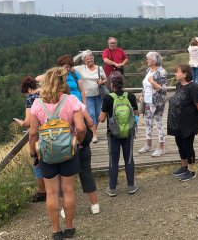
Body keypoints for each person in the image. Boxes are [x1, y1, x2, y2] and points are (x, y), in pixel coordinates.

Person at [29, 67, 86, 240]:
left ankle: (56, 231)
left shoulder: (37, 104)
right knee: (68, 190)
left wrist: (34, 154)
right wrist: (78, 141)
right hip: (68, 151)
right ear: (63, 82)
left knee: (52, 193)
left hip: (46, 153)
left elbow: (33, 134)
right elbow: (81, 128)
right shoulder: (71, 100)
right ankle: (69, 228)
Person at [57, 55, 99, 215]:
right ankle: (94, 204)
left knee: (65, 175)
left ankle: (65, 208)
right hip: (79, 144)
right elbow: (88, 123)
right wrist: (80, 140)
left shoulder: (48, 104)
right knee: (86, 171)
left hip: (61, 144)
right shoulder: (75, 103)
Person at [99, 71, 139, 197]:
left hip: (113, 134)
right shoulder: (130, 96)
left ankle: (112, 188)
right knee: (129, 158)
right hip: (128, 132)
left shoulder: (108, 98)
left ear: (111, 84)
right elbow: (136, 114)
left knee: (113, 160)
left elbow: (101, 119)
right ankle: (131, 186)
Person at [167, 64, 198, 181]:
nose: (175, 74)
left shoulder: (193, 87)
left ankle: (191, 170)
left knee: (188, 145)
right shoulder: (179, 85)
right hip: (177, 122)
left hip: (188, 122)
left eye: (177, 72)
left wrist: (190, 113)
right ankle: (184, 166)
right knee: (180, 144)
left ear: (184, 74)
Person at [15, 76, 46, 203]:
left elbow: (29, 122)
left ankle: (42, 192)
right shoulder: (46, 93)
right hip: (54, 132)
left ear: (28, 90)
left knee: (37, 163)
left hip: (39, 135)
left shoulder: (31, 98)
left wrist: (21, 123)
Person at [74, 49, 108, 143]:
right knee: (91, 114)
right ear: (84, 60)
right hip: (87, 95)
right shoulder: (80, 68)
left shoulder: (99, 68)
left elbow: (105, 79)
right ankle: (94, 134)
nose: (89, 60)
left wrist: (102, 81)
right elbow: (69, 67)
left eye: (90, 58)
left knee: (98, 114)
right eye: (86, 59)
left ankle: (94, 131)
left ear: (93, 58)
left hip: (98, 95)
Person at [138, 51, 167, 157]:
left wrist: (153, 82)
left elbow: (163, 89)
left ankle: (161, 148)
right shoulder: (148, 70)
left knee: (159, 123)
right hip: (147, 101)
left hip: (157, 102)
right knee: (148, 123)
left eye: (148, 59)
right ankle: (148, 145)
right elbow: (145, 85)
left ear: (154, 60)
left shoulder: (161, 72)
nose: (147, 61)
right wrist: (142, 94)